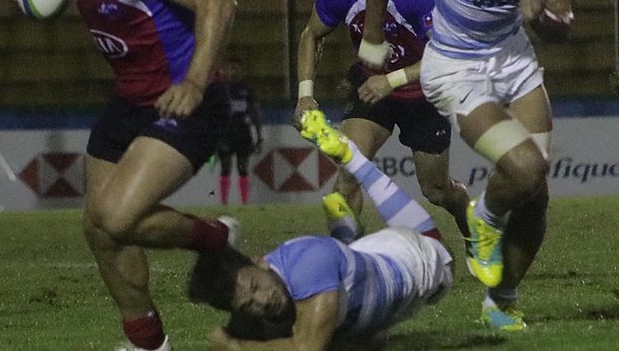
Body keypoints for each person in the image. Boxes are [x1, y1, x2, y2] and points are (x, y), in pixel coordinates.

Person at [3, 0, 239, 351]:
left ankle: (216, 240)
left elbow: (219, 1)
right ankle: (148, 343)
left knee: (115, 215)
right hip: (128, 103)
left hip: (184, 102)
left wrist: (195, 83)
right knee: (100, 229)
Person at [357, 0, 576, 331]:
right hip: (454, 68)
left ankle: (502, 300)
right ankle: (486, 218)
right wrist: (372, 37)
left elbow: (563, 26)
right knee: (524, 168)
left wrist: (540, 17)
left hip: (515, 62)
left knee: (536, 191)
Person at [189, 110, 454, 350]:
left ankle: (354, 162)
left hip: (412, 260)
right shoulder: (250, 298)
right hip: (358, 259)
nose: (262, 300)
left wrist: (237, 348)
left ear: (260, 261)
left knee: (443, 255)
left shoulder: (308, 265)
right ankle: (345, 235)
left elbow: (307, 349)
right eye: (248, 305)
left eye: (256, 286)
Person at [295, 0, 470, 244]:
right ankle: (345, 261)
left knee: (436, 190)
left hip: (425, 94)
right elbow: (310, 35)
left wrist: (392, 80)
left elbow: (446, 55)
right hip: (371, 89)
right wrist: (305, 94)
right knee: (349, 169)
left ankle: (467, 215)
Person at [214, 57, 263, 205]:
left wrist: (259, 136)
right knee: (225, 167)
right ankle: (224, 201)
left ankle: (244, 202)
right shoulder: (221, 89)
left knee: (243, 167)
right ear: (226, 70)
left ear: (241, 71)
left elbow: (256, 112)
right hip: (225, 133)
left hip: (242, 131)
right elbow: (214, 114)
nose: (233, 72)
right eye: (231, 68)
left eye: (236, 69)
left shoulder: (247, 89)